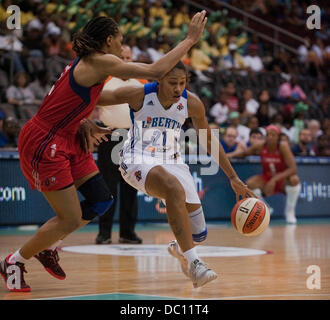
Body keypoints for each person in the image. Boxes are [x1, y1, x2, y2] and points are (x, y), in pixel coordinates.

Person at [0, 12, 208, 292]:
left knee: (102, 200)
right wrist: (190, 40)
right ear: (109, 40)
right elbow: (157, 71)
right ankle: (14, 260)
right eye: (120, 40)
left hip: (70, 134)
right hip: (45, 140)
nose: (122, 47)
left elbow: (66, 99)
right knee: (71, 218)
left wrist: (84, 120)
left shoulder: (91, 65)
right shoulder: (101, 61)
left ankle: (48, 244)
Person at [87, 61, 256, 288]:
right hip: (137, 158)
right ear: (159, 80)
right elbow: (94, 97)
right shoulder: (139, 94)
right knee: (172, 188)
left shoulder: (191, 103)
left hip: (173, 161)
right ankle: (196, 264)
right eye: (172, 83)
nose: (178, 89)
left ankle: (180, 248)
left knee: (199, 234)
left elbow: (207, 139)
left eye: (183, 83)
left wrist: (233, 177)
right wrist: (86, 120)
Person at [95, 45, 145, 245]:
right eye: (121, 57)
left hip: (133, 139)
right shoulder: (103, 80)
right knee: (107, 187)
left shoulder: (142, 82)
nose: (125, 61)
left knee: (131, 186)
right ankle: (104, 232)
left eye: (128, 57)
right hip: (109, 137)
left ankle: (127, 232)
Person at [229, 125, 301, 224]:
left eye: (273, 135)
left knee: (294, 180)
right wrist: (229, 155)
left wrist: (274, 180)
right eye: (268, 135)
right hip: (267, 178)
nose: (270, 137)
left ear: (278, 137)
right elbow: (244, 153)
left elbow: (293, 169)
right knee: (250, 183)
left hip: (281, 179)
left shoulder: (283, 146)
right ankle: (265, 209)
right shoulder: (260, 145)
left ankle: (290, 211)